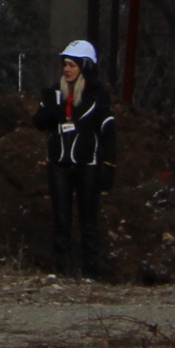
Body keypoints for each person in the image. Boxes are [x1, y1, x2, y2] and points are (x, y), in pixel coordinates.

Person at [33, 39, 117, 280]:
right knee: (61, 218)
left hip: (87, 165)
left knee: (89, 219)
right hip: (59, 164)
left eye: (72, 65)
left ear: (85, 67)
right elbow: (38, 122)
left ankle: (91, 272)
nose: (67, 69)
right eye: (65, 65)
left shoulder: (98, 96)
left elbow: (108, 132)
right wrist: (54, 111)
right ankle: (63, 271)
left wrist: (108, 165)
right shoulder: (54, 93)